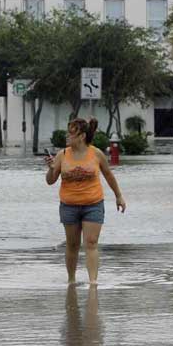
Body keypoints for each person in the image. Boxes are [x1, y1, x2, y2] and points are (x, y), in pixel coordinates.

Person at [45, 118, 126, 285]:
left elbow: (109, 175)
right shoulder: (62, 155)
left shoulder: (96, 154)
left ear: (81, 136)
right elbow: (50, 181)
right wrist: (51, 168)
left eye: (71, 133)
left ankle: (93, 282)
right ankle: (71, 280)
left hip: (93, 204)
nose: (67, 136)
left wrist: (119, 196)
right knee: (72, 245)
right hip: (68, 206)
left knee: (91, 242)